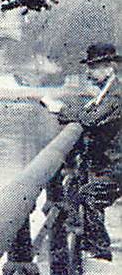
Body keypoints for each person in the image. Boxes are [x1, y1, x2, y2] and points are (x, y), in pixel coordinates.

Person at [52, 42, 121, 261]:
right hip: (110, 164)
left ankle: (100, 251)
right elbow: (90, 113)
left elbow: (91, 119)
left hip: (117, 166)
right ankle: (95, 247)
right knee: (87, 195)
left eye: (93, 68)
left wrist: (60, 110)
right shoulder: (108, 92)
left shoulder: (116, 94)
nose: (88, 73)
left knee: (88, 195)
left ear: (109, 67)